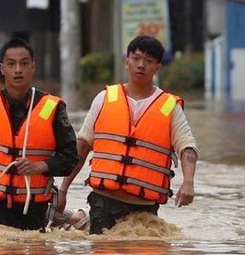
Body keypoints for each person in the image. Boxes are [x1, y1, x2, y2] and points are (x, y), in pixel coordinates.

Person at [56, 35, 199, 234]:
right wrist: (63, 190)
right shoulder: (105, 98)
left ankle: (79, 218)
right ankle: (80, 217)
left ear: (157, 67)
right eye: (136, 58)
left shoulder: (169, 107)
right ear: (127, 62)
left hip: (145, 207)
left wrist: (188, 182)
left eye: (148, 61)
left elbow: (187, 148)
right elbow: (82, 147)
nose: (141, 65)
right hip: (103, 200)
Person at [0, 37, 77, 230]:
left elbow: (70, 158)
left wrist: (39, 167)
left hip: (33, 205)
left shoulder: (52, 107)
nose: (18, 69)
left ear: (33, 67)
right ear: (2, 69)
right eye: (11, 64)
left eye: (24, 63)